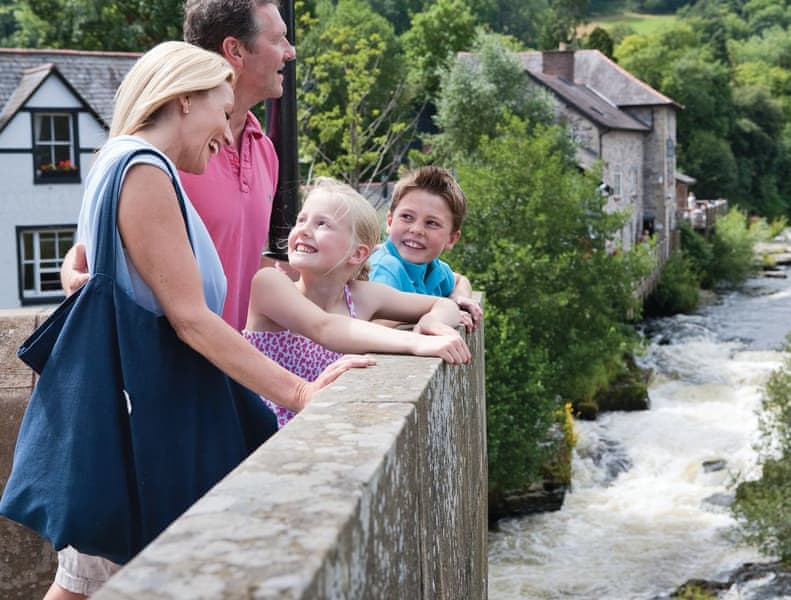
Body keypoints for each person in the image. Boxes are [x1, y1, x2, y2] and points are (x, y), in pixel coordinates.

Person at [44, 41, 374, 600]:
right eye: (221, 111)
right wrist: (301, 392)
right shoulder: (144, 170)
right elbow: (191, 319)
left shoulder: (117, 161)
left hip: (123, 417)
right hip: (141, 428)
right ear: (184, 101)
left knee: (83, 584)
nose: (226, 130)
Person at [61, 0, 296, 330]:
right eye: (278, 39)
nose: (290, 52)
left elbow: (242, 258)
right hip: (174, 358)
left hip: (226, 358)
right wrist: (73, 274)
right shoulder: (164, 153)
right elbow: (99, 246)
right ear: (235, 50)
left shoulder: (265, 151)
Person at [243, 178, 472, 427]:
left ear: (357, 253)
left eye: (322, 224)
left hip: (329, 429)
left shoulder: (362, 296)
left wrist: (432, 322)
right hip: (267, 437)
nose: (304, 230)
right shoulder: (270, 284)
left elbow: (445, 305)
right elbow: (324, 327)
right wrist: (417, 342)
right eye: (301, 220)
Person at [368, 166, 483, 330]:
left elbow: (461, 281)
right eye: (407, 217)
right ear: (390, 222)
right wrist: (440, 312)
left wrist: (457, 301)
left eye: (432, 223)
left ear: (451, 239)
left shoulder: (433, 269)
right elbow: (375, 324)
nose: (416, 230)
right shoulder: (384, 267)